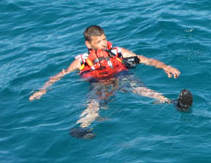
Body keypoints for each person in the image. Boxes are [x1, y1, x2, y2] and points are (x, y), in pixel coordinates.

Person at [29, 25, 192, 138]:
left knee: (139, 88)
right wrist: (43, 89)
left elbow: (143, 60)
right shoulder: (83, 60)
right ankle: (81, 128)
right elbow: (60, 75)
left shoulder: (117, 52)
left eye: (104, 40)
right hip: (98, 84)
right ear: (88, 44)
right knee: (94, 103)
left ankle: (172, 103)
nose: (103, 44)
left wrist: (165, 66)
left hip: (122, 78)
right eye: (98, 42)